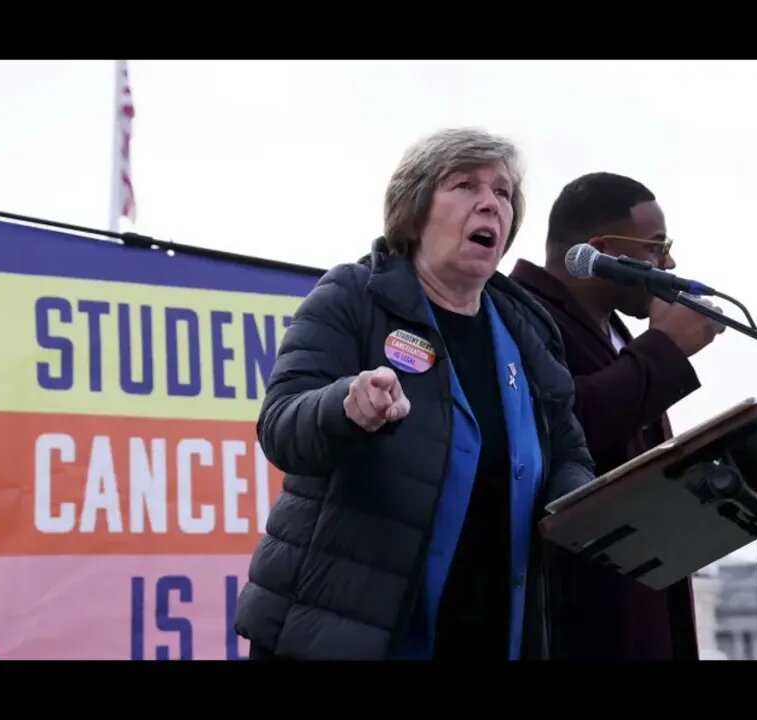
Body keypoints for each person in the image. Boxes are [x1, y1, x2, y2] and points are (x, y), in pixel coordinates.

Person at [233, 128, 596, 660]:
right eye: (466, 185)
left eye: (502, 192)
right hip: (348, 632)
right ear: (415, 206)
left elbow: (568, 451)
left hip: (491, 630)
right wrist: (345, 406)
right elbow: (281, 426)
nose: (491, 204)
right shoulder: (353, 297)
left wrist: (579, 499)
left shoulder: (527, 328)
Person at [510, 171, 724, 660]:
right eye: (654, 247)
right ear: (599, 250)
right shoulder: (516, 315)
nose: (668, 263)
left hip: (644, 602)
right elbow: (567, 426)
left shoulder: (621, 335)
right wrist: (665, 349)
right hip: (573, 613)